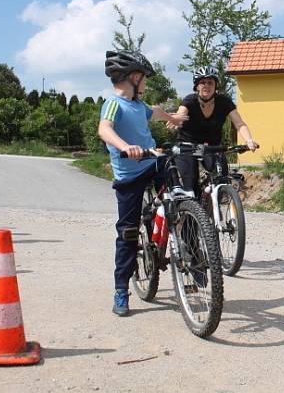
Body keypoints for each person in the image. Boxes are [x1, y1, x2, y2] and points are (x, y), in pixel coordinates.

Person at [97, 50, 187, 317]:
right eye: (144, 78)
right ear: (133, 77)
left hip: (152, 163)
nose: (145, 83)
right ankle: (121, 289)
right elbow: (104, 129)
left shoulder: (138, 105)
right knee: (128, 232)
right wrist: (126, 147)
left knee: (181, 194)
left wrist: (172, 118)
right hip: (130, 174)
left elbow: (155, 112)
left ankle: (193, 255)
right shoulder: (114, 103)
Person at [171, 65, 258, 195]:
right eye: (202, 82)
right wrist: (176, 121)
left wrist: (249, 140)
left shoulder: (224, 102)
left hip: (212, 146)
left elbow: (239, 124)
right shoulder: (190, 100)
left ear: (215, 86)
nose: (207, 85)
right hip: (187, 146)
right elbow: (180, 114)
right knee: (191, 186)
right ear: (196, 86)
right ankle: (191, 212)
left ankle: (213, 204)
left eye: (210, 82)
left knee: (221, 177)